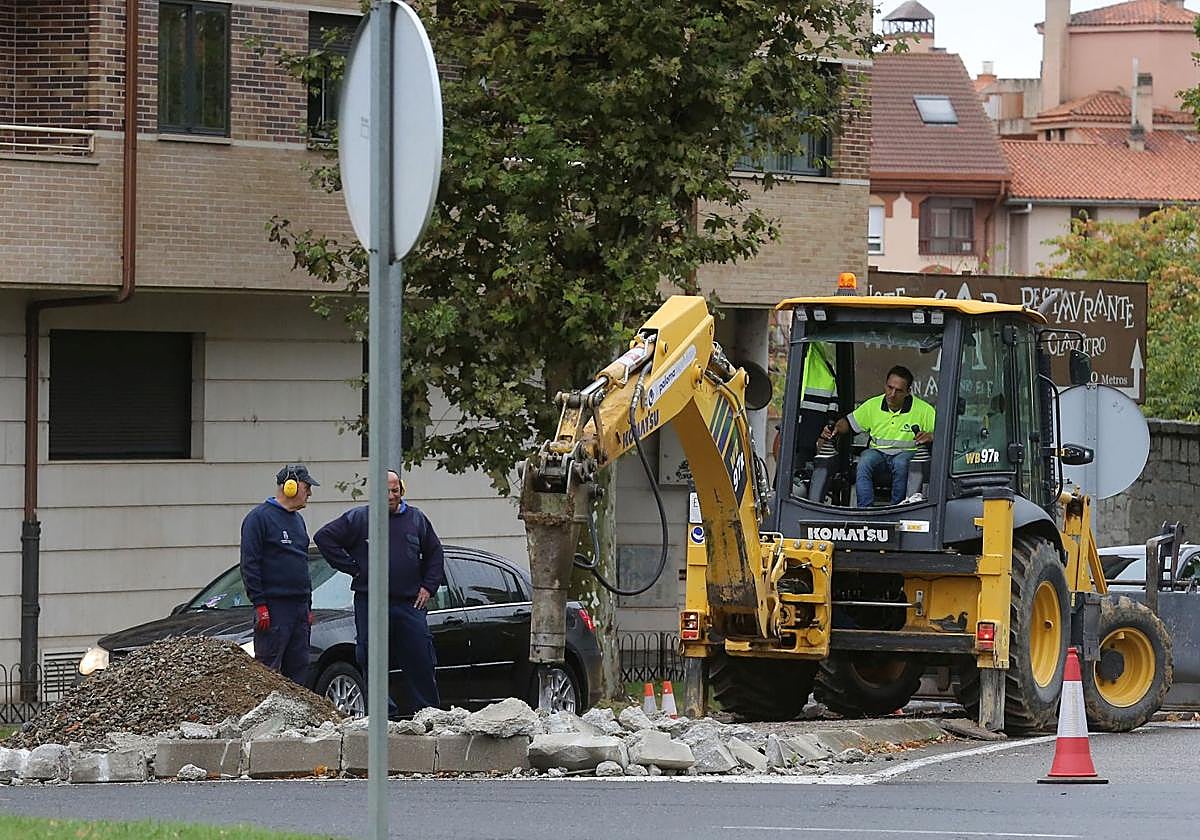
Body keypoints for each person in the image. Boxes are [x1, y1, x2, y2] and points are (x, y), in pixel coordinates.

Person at [314, 470, 444, 717]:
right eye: (386, 491)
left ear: (401, 491)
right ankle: (383, 716)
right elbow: (324, 538)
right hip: (370, 602)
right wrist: (354, 568)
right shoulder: (360, 519)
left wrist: (428, 586)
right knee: (371, 660)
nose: (392, 496)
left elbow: (435, 554)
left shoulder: (416, 519)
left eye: (396, 491)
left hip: (409, 604)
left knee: (420, 659)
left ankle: (428, 714)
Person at [240, 464, 319, 684]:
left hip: (299, 609)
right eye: (307, 487)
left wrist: (308, 606)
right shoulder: (259, 519)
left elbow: (302, 565)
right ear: (290, 487)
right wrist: (260, 604)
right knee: (269, 670)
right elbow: (250, 565)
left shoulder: (297, 521)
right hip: (274, 608)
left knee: (299, 669)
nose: (310, 493)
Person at [821, 365, 935, 507]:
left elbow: (941, 433)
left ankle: (897, 508)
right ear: (885, 385)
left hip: (907, 454)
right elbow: (848, 423)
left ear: (908, 392)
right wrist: (835, 428)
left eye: (898, 391)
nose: (892, 394)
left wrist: (931, 436)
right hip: (878, 453)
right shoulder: (872, 405)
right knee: (864, 462)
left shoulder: (925, 410)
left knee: (901, 464)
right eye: (889, 387)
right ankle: (865, 510)